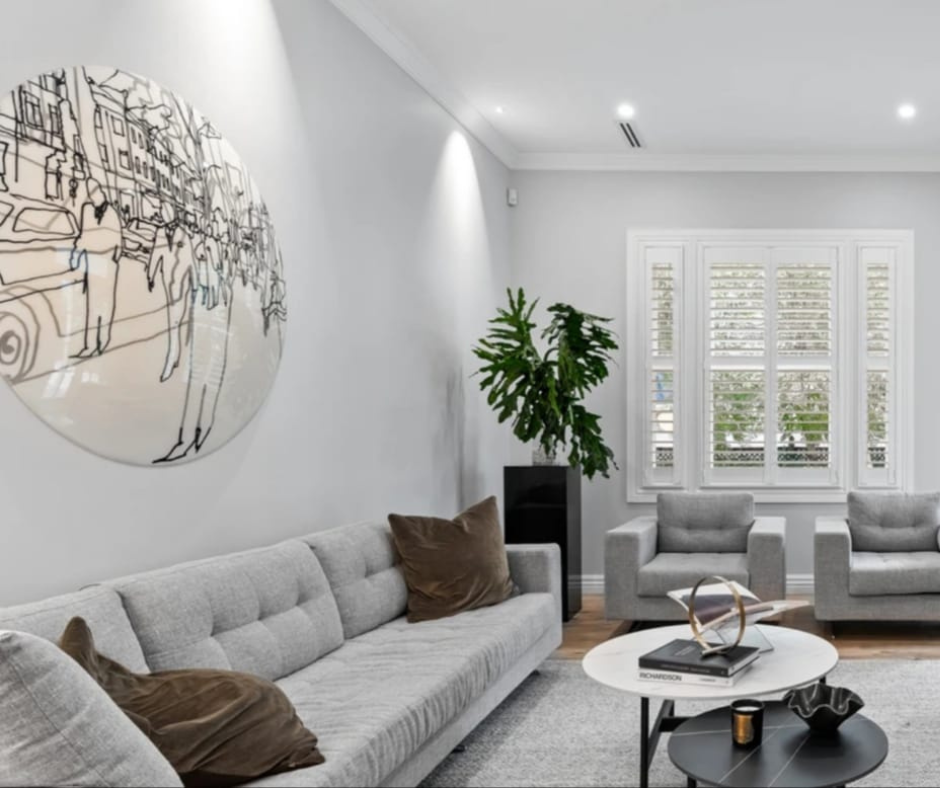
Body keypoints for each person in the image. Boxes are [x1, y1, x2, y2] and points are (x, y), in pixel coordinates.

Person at [70, 178, 123, 357]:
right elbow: (84, 235)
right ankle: (90, 345)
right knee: (92, 306)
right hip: (92, 263)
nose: (91, 198)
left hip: (107, 263)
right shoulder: (86, 210)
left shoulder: (112, 213)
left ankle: (103, 342)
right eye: (89, 195)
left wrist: (113, 261)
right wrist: (76, 254)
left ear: (100, 192)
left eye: (93, 193)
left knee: (106, 305)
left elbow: (118, 241)